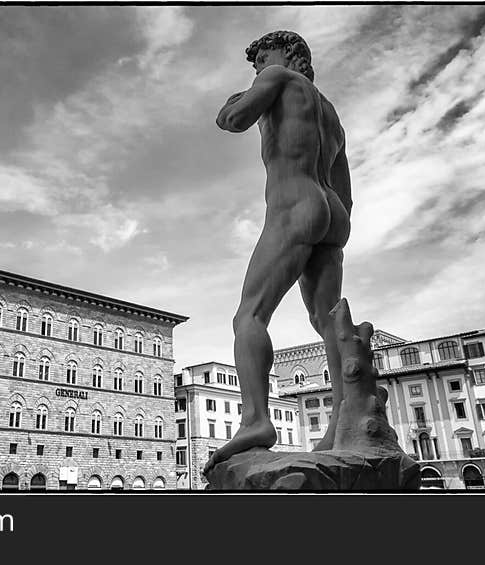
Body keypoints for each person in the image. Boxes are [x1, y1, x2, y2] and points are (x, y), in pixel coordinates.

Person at [204, 30, 352, 474]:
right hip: (333, 212)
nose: (256, 66)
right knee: (328, 322)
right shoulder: (331, 113)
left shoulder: (277, 76)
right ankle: (343, 424)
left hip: (294, 203)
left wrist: (236, 99)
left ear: (289, 53)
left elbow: (233, 120)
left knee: (249, 316)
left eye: (260, 57)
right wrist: (334, 223)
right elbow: (346, 188)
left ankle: (255, 420)